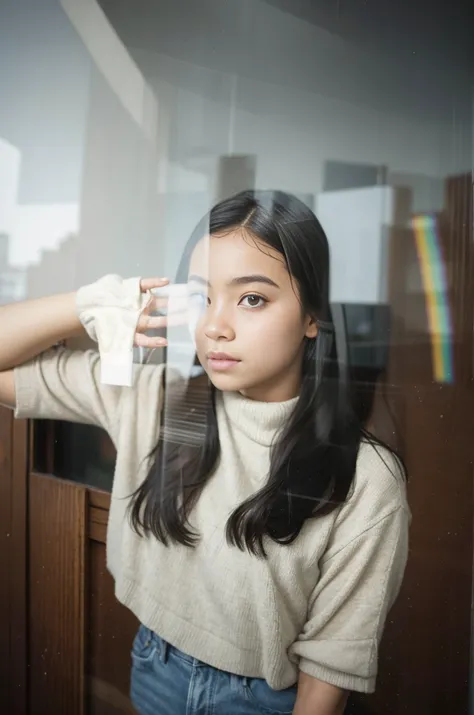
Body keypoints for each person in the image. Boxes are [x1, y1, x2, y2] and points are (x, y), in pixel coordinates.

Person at [0, 190, 409, 715]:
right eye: (202, 297)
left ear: (312, 315)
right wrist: (86, 304)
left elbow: (331, 664)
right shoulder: (156, 399)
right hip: (153, 665)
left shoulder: (366, 476)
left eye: (252, 298)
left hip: (263, 700)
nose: (215, 325)